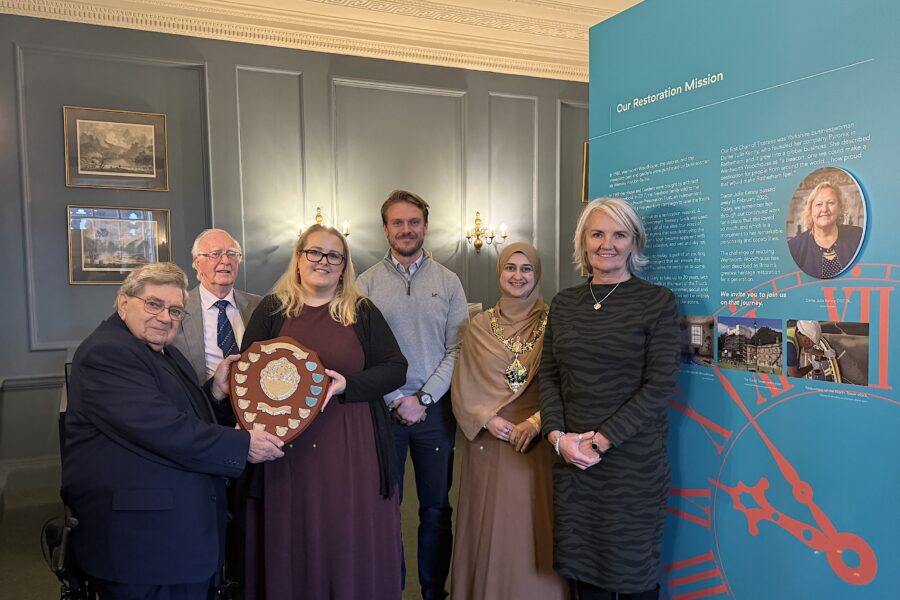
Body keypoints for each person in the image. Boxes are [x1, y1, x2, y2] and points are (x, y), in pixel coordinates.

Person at [62, 262, 284, 599]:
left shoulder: (165, 352)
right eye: (153, 304)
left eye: (176, 310)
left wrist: (217, 392)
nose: (165, 317)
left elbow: (185, 414)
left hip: (173, 540)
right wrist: (243, 445)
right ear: (124, 302)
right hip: (142, 548)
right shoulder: (106, 352)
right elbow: (163, 429)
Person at [241, 224, 408, 600]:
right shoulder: (272, 309)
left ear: (344, 265)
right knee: (292, 531)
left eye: (334, 255)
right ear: (299, 258)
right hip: (286, 450)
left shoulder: (360, 311)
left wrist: (349, 384)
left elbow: (396, 367)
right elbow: (246, 374)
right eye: (314, 252)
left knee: (344, 532)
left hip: (351, 443)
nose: (323, 262)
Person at [539, 198, 680, 600]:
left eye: (619, 235)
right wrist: (558, 438)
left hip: (632, 466)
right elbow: (548, 376)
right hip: (573, 463)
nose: (608, 244)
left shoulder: (656, 301)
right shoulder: (564, 303)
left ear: (634, 242)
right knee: (584, 579)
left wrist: (601, 440)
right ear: (582, 241)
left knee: (634, 579)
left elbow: (660, 385)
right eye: (597, 233)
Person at [357, 189, 468, 600]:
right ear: (385, 228)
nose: (407, 230)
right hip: (382, 413)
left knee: (437, 509)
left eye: (414, 222)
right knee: (385, 509)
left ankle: (433, 591)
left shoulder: (449, 282)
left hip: (435, 415)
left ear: (425, 225)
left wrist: (422, 399)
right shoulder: (364, 283)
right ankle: (391, 586)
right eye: (398, 223)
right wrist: (394, 399)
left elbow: (457, 350)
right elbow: (361, 352)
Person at [450, 242, 565, 600]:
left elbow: (566, 380)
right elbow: (463, 382)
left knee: (531, 526)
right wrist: (488, 419)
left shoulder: (557, 321)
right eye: (510, 268)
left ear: (537, 274)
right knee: (489, 526)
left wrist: (535, 422)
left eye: (526, 268)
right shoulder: (479, 326)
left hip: (536, 441)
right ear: (499, 273)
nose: (518, 276)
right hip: (489, 440)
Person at [172, 228, 261, 383]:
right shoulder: (177, 309)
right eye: (215, 254)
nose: (226, 261)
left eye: (232, 254)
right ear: (197, 263)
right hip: (202, 403)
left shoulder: (259, 306)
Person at [788, 181, 863, 279]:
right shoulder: (794, 247)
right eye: (819, 204)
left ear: (840, 208)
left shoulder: (858, 236)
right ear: (811, 210)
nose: (824, 209)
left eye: (830, 203)